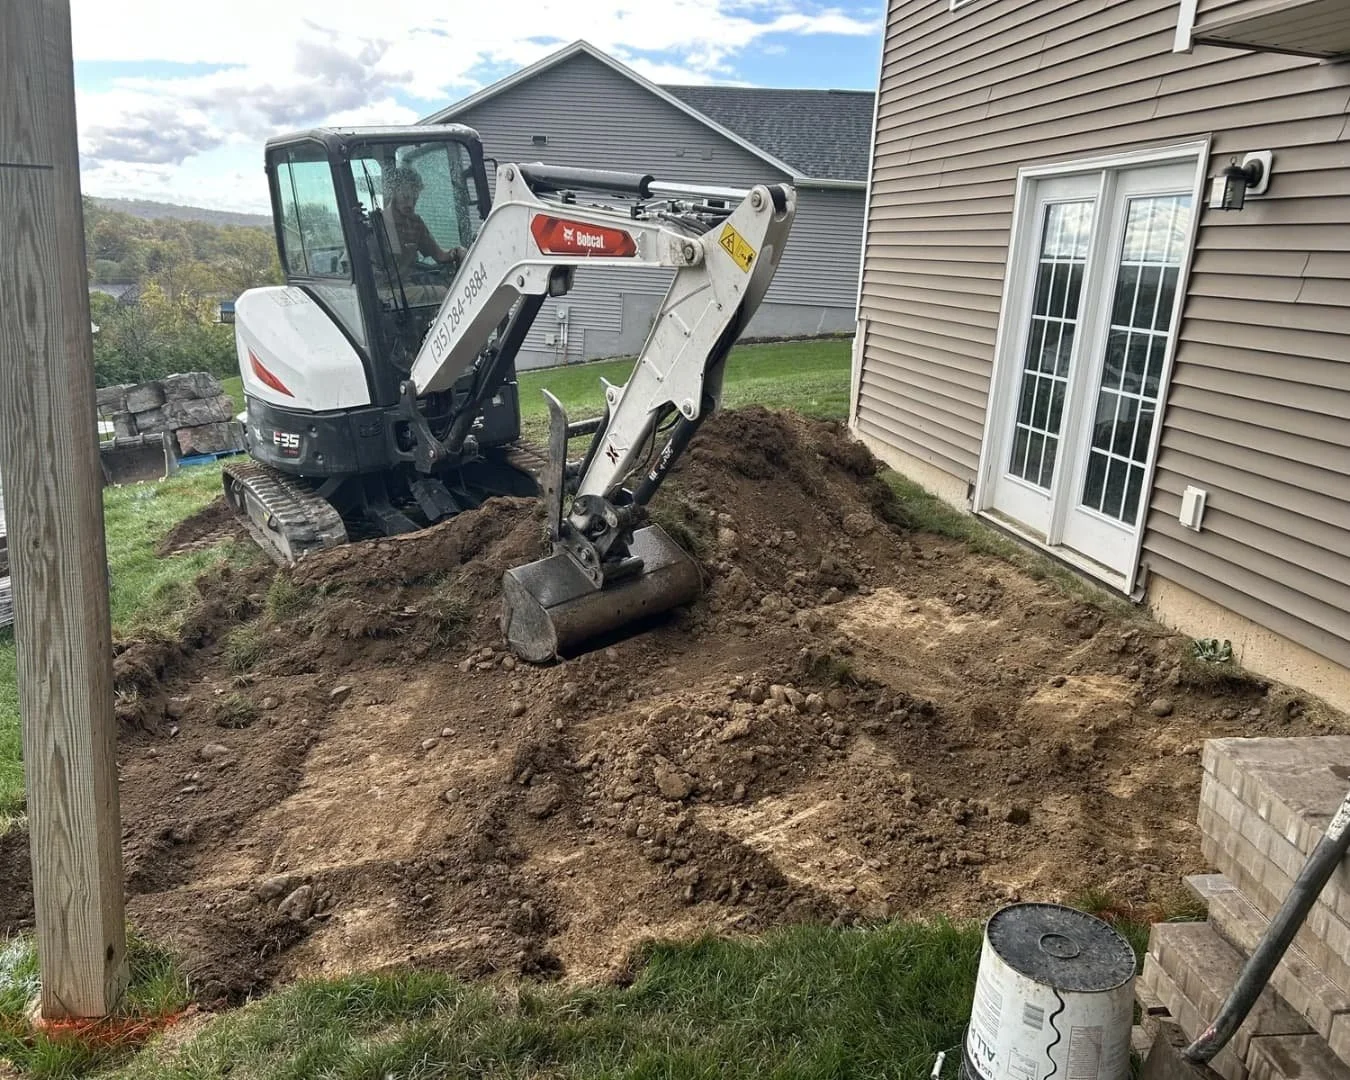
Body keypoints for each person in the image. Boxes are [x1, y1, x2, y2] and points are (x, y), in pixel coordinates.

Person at [373, 165, 466, 302]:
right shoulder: (375, 225)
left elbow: (440, 255)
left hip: (407, 288)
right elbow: (351, 266)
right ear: (393, 192)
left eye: (415, 198)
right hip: (383, 292)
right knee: (445, 296)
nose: (410, 204)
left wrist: (457, 253)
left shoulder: (415, 223)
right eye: (405, 197)